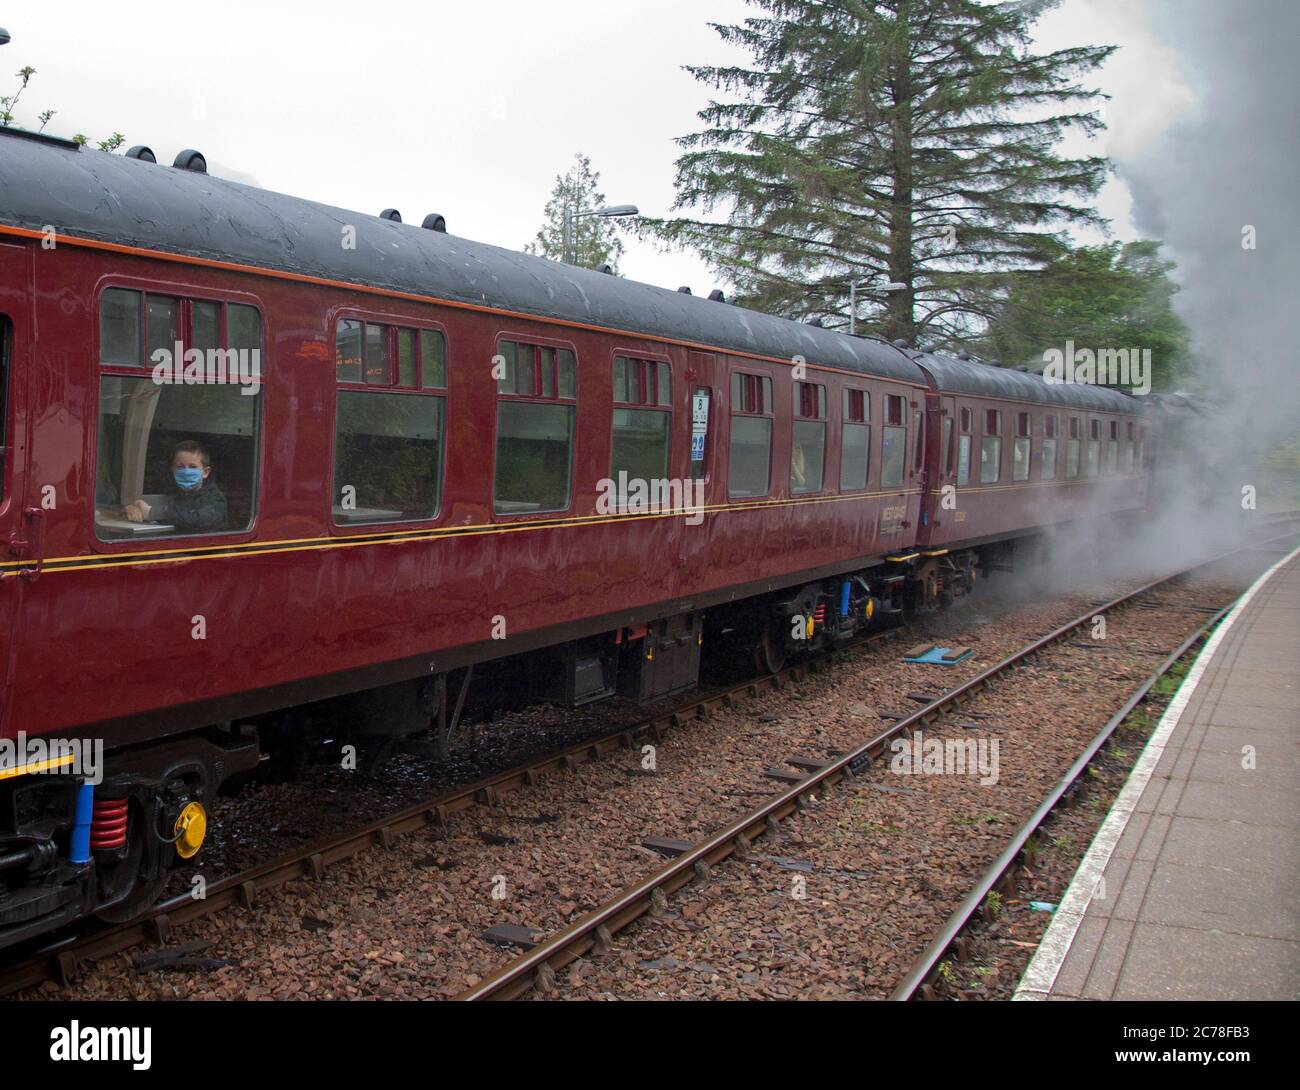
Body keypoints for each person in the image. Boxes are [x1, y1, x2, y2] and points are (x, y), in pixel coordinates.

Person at [125, 440, 227, 532]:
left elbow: (199, 519)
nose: (186, 471)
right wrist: (133, 509)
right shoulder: (172, 492)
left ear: (205, 472)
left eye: (192, 467)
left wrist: (152, 512)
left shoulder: (215, 498)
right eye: (181, 467)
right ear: (173, 470)